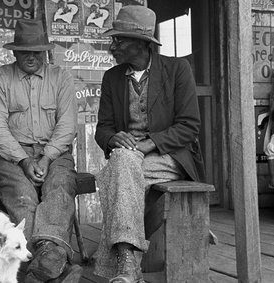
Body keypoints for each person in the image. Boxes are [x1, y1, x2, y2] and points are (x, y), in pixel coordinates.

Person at [94, 5, 205, 283]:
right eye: (114, 39)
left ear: (141, 43)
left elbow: (189, 127)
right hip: (128, 158)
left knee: (113, 174)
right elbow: (102, 129)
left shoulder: (178, 69)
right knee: (121, 164)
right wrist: (112, 138)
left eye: (119, 39)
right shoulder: (112, 77)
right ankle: (129, 267)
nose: (113, 45)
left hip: (170, 156)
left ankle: (125, 263)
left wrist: (149, 144)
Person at [0, 19, 83, 283]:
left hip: (55, 154)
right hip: (12, 156)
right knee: (23, 196)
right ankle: (52, 263)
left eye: (37, 51)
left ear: (46, 52)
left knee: (59, 189)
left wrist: (48, 157)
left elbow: (67, 125)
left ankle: (44, 260)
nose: (31, 56)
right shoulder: (0, 78)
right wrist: (25, 160)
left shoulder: (60, 77)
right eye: (25, 50)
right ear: (14, 51)